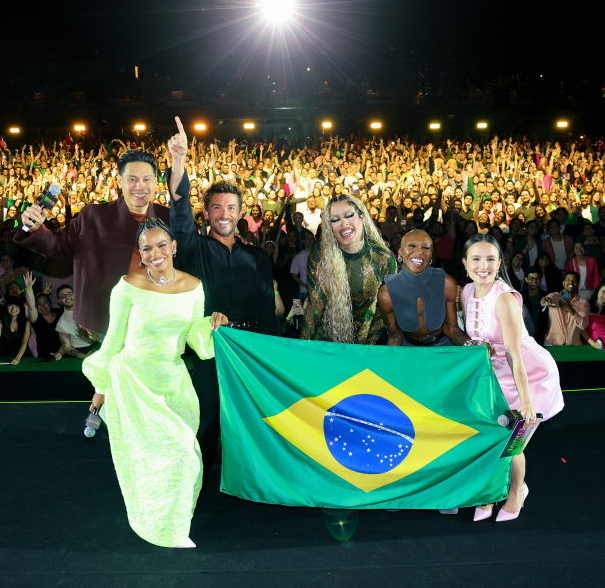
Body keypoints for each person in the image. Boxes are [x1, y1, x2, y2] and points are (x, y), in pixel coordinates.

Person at [82, 218, 228, 548]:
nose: (155, 252)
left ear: (174, 246)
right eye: (147, 248)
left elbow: (196, 341)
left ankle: (171, 517)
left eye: (162, 245)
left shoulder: (193, 286)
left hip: (174, 383)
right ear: (140, 254)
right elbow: (114, 340)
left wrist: (212, 324)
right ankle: (166, 528)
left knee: (181, 454)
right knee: (173, 452)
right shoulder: (127, 286)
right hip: (134, 381)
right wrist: (100, 389)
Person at [166, 119, 280, 481]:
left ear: (241, 213)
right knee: (206, 425)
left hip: (250, 351)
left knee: (253, 422)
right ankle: (191, 490)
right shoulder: (193, 248)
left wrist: (271, 356)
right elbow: (179, 214)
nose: (224, 214)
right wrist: (179, 161)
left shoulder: (258, 257)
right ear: (207, 213)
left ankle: (255, 485)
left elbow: (267, 309)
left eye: (231, 208)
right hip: (211, 352)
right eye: (217, 208)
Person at [461, 234, 563, 522]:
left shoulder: (505, 298)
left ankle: (517, 492)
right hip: (497, 376)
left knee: (512, 442)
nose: (484, 265)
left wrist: (527, 402)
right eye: (476, 259)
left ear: (499, 262)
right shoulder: (466, 292)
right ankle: (492, 493)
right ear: (465, 263)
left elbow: (514, 354)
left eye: (491, 259)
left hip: (530, 374)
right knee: (492, 439)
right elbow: (480, 337)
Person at [17, 149, 170, 337]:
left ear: (156, 182)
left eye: (147, 179)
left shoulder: (169, 217)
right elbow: (58, 246)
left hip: (158, 318)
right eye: (132, 179)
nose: (140, 186)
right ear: (119, 182)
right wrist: (36, 228)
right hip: (110, 320)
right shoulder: (94, 216)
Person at [303, 193, 398, 344]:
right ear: (329, 227)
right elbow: (316, 302)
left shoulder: (384, 258)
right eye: (335, 219)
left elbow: (383, 313)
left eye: (349, 215)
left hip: (366, 341)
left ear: (363, 218)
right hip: (328, 340)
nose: (343, 223)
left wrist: (366, 350)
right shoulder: (320, 251)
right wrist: (302, 345)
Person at [378, 229, 467, 347]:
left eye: (425, 247)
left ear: (431, 254)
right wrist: (390, 363)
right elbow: (395, 336)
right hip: (410, 350)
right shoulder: (387, 293)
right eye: (412, 246)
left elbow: (452, 329)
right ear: (400, 251)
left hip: (443, 347)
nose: (419, 252)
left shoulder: (446, 283)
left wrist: (476, 348)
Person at [541, 272, 590, 346]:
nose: (571, 282)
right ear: (563, 283)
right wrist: (545, 301)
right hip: (552, 344)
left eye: (574, 280)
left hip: (573, 347)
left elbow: (583, 325)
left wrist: (571, 310)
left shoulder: (583, 303)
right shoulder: (556, 296)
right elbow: (547, 299)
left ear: (577, 284)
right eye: (568, 279)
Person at [23, 272, 63, 360]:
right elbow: (31, 306)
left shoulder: (61, 316)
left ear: (51, 304)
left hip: (63, 356)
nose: (43, 306)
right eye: (39, 304)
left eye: (45, 302)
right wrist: (28, 288)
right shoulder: (36, 319)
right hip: (43, 358)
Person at [0, 296, 31, 364]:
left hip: (22, 356)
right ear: (6, 306)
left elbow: (24, 342)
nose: (14, 308)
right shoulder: (1, 321)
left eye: (17, 305)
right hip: (3, 357)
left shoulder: (26, 322)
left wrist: (17, 358)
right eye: (10, 305)